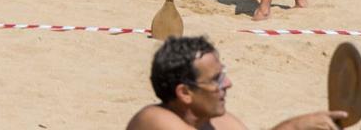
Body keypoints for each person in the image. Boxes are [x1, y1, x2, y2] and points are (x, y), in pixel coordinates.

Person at [126, 36, 345, 130]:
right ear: (185, 93)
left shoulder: (215, 121)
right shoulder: (153, 120)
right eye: (216, 79)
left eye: (223, 74)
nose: (227, 84)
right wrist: (294, 126)